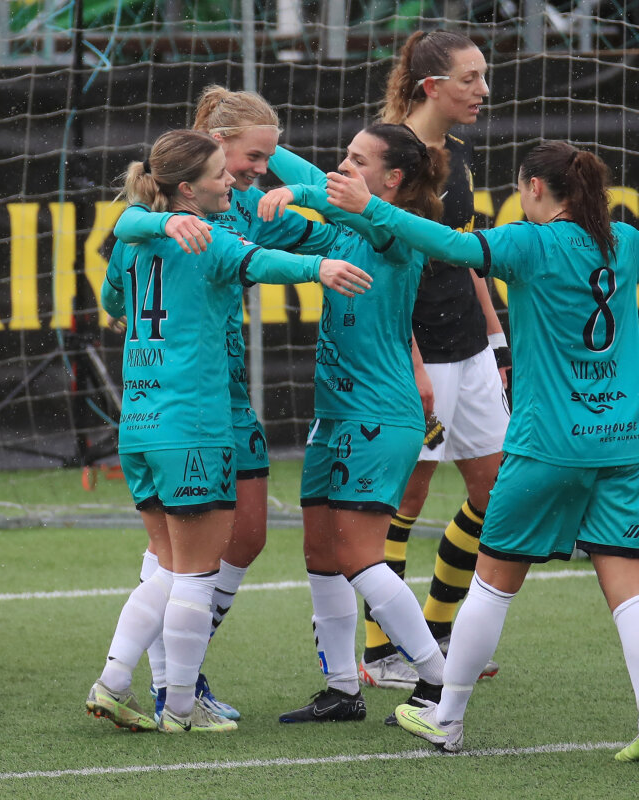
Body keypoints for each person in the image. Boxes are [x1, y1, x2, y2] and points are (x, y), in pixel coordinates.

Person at [317, 140, 639, 759]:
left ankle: (448, 719)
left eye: (520, 188)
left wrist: (370, 207)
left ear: (535, 189)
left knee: (491, 585)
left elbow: (448, 246)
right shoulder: (628, 243)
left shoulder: (528, 244)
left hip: (546, 447)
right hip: (620, 445)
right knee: (628, 587)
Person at [87, 129, 370, 734]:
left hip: (139, 424)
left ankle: (113, 681)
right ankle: (180, 707)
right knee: (195, 573)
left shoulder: (134, 242)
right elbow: (260, 262)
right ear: (187, 189)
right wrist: (320, 268)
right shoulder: (208, 238)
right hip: (194, 424)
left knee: (168, 567)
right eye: (220, 174)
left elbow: (113, 301)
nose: (231, 184)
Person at [259, 124, 453, 722]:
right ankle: (343, 689)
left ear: (392, 179)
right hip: (334, 415)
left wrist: (301, 193)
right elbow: (312, 186)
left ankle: (441, 682)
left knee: (360, 555)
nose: (342, 166)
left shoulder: (399, 232)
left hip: (380, 416)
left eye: (357, 160)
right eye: (344, 155)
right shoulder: (345, 229)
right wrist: (257, 145)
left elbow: (340, 203)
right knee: (320, 552)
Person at [358, 29, 509, 691]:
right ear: (431, 86)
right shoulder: (390, 159)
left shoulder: (458, 155)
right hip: (415, 355)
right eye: (470, 78)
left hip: (470, 351)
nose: (483, 90)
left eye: (483, 76)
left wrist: (497, 342)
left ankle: (435, 633)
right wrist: (413, 365)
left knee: (494, 494)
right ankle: (382, 652)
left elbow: (467, 256)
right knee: (403, 500)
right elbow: (386, 275)